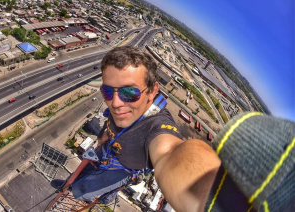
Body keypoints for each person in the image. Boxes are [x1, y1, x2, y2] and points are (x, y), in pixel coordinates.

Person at [51, 46, 295, 211]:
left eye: (129, 92)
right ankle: (100, 193)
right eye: (108, 91)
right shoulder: (120, 109)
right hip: (109, 153)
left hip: (121, 169)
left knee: (86, 188)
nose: (116, 102)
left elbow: (171, 154)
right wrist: (102, 139)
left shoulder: (156, 126)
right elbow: (110, 124)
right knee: (89, 174)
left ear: (153, 91)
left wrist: (218, 198)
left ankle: (79, 191)